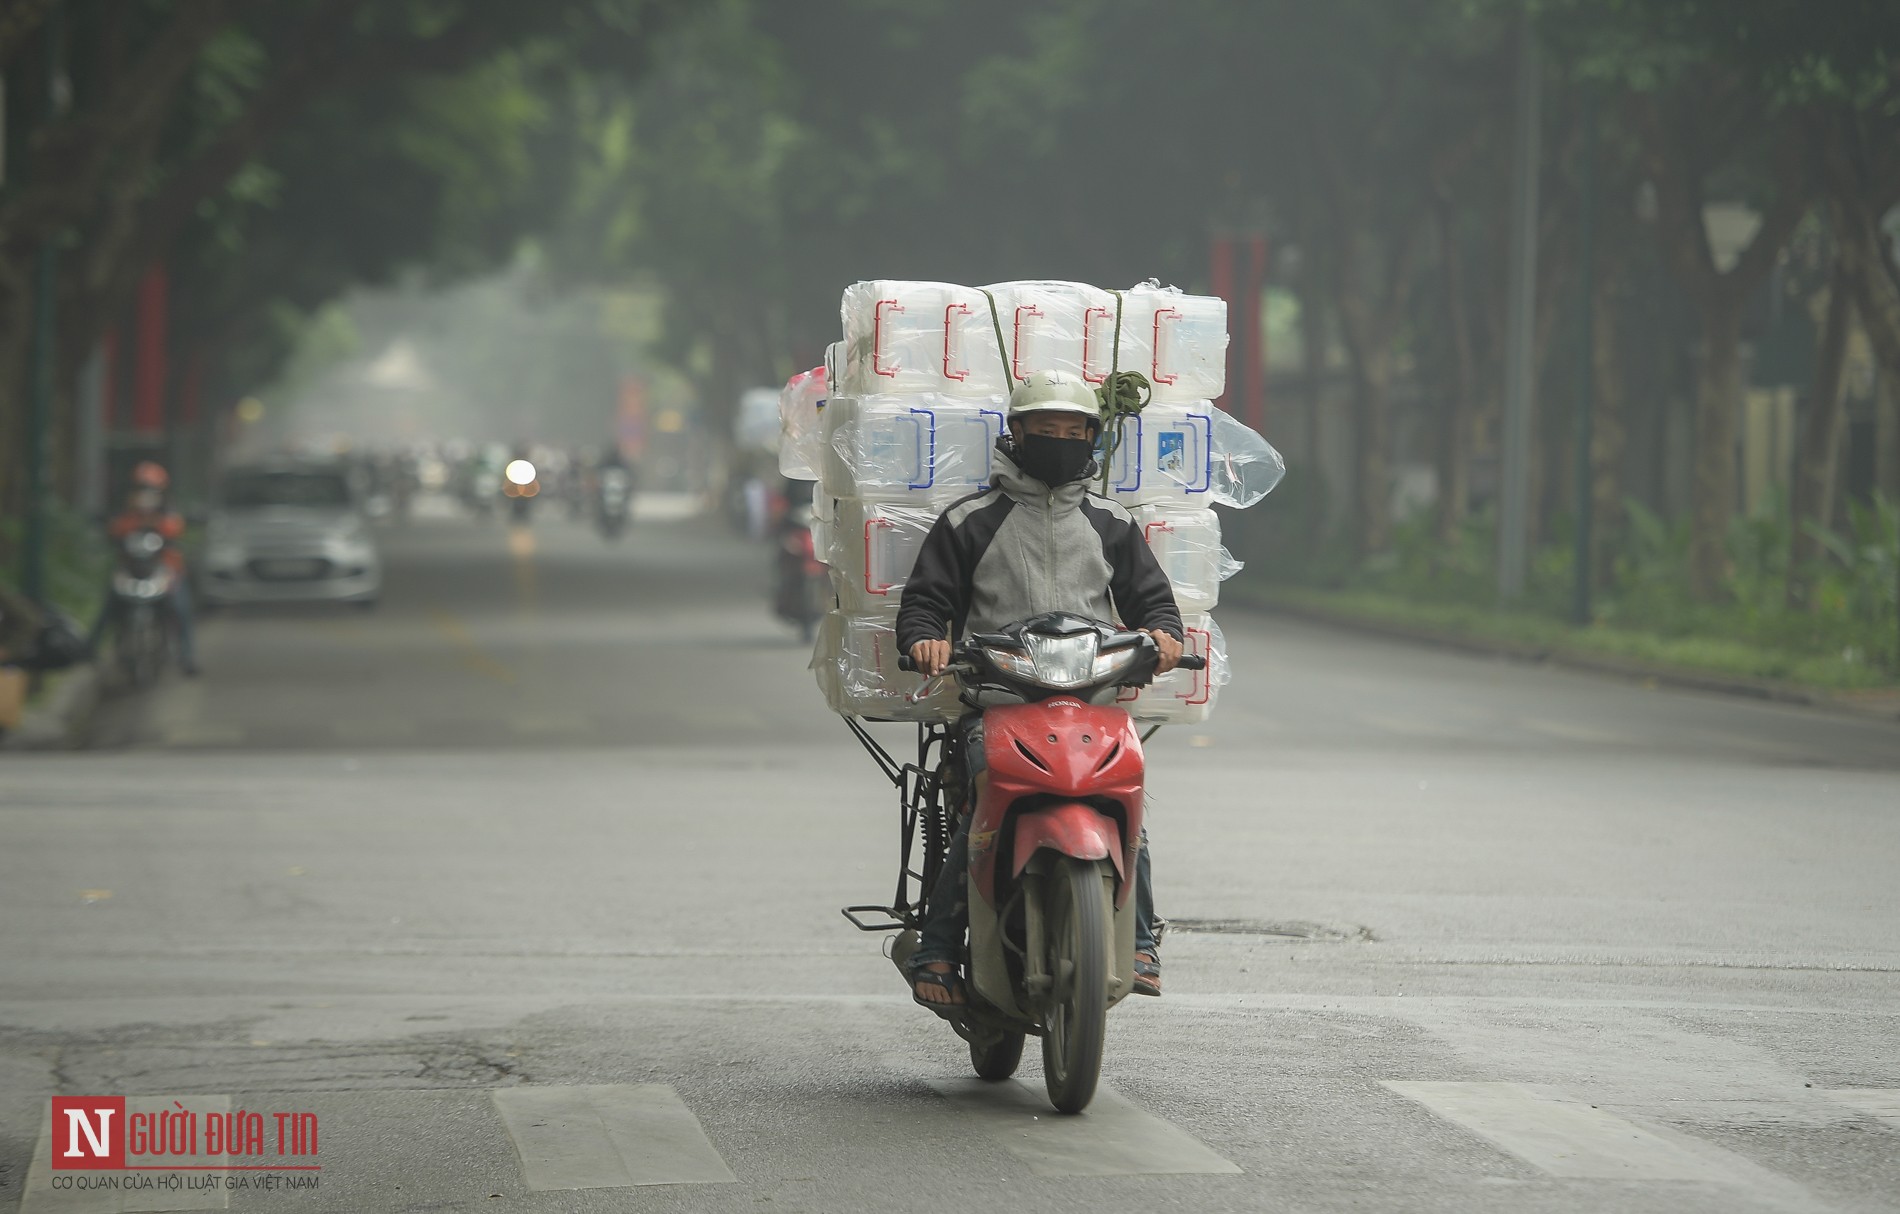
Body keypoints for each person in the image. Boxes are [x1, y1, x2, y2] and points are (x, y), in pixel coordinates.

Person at [895, 369, 1184, 1011]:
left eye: (1073, 432)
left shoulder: (1111, 522)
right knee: (979, 809)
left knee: (1126, 805)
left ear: (1092, 439)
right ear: (1016, 434)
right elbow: (926, 602)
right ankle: (937, 944)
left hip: (1091, 704)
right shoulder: (970, 521)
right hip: (998, 704)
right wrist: (926, 640)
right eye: (1045, 431)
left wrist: (1164, 635)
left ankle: (1139, 941)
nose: (1060, 442)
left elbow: (1153, 602)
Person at [89, 460, 198, 677]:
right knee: (110, 604)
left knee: (181, 608)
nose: (146, 496)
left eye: (151, 491)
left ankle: (187, 656)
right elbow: (114, 531)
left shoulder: (169, 517)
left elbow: (176, 530)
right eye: (141, 490)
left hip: (166, 572)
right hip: (131, 572)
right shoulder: (126, 517)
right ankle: (89, 648)